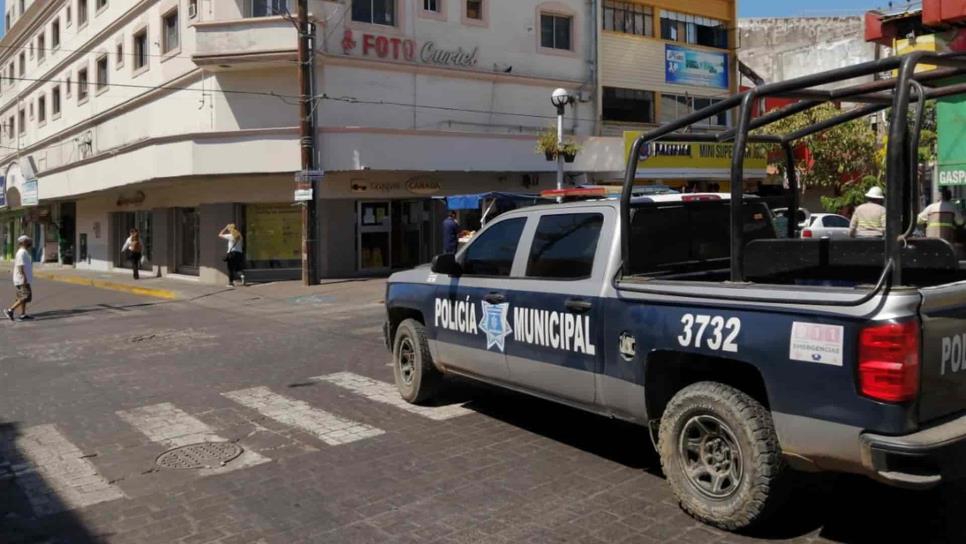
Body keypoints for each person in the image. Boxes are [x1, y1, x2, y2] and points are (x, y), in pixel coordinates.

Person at [5, 235, 33, 321]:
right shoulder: (21, 252)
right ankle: (10, 310)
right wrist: (24, 277)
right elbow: (20, 265)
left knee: (22, 297)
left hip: (23, 278)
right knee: (25, 296)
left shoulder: (24, 252)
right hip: (22, 279)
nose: (29, 243)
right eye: (28, 241)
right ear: (23, 242)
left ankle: (23, 314)